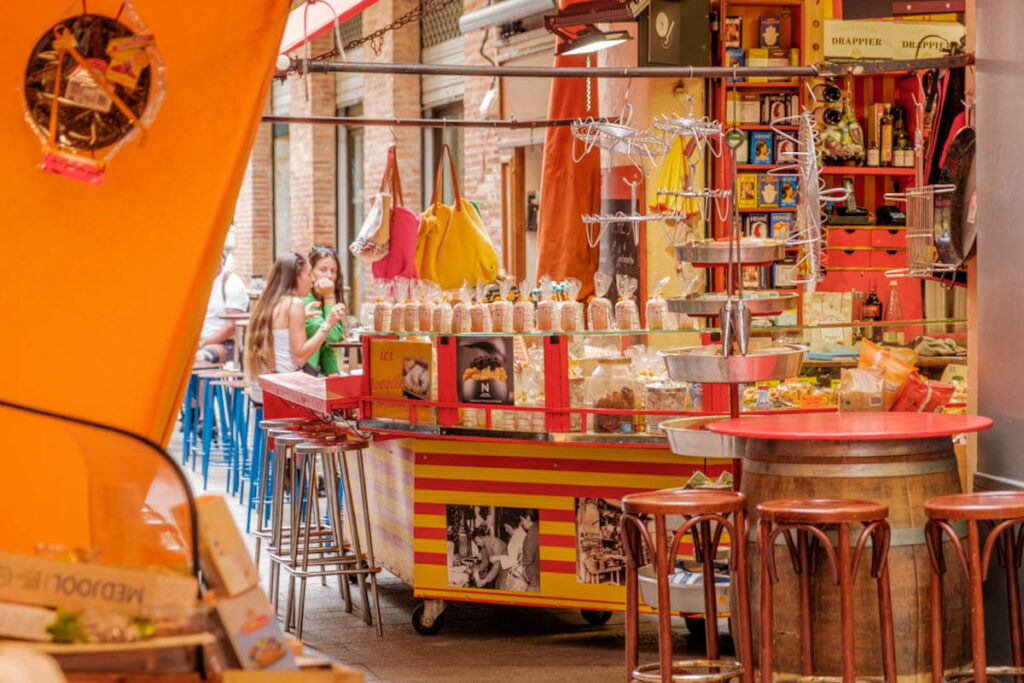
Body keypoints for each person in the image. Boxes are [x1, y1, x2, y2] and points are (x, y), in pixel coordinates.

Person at [244, 252, 345, 403]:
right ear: (295, 277)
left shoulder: (268, 301)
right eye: (309, 274)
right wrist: (328, 324)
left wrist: (302, 316)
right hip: (284, 392)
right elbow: (300, 357)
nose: (312, 280)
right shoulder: (295, 303)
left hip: (259, 391)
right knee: (340, 396)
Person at [195, 256, 248, 364]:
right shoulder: (198, 283)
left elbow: (231, 327)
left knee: (201, 358)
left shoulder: (232, 283)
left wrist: (201, 345)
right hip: (199, 343)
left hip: (226, 344)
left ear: (219, 258)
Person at [303, 246, 347, 375]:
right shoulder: (304, 299)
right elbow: (331, 336)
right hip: (300, 372)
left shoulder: (323, 299)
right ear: (311, 272)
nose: (329, 275)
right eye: (323, 270)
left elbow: (326, 346)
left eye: (333, 271)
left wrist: (332, 372)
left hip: (313, 371)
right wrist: (329, 296)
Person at [520, 512, 540, 592]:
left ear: (528, 518)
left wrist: (519, 555)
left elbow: (528, 558)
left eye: (522, 520)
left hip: (534, 578)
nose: (521, 523)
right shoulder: (538, 526)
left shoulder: (532, 532)